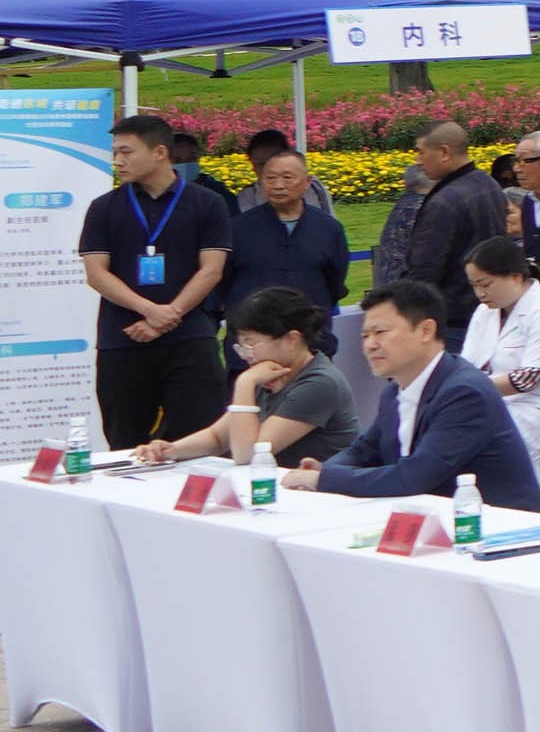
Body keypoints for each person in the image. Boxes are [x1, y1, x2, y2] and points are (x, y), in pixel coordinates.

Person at [303, 282, 539, 503]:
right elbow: (364, 450)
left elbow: (413, 478)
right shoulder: (395, 390)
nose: (370, 345)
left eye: (380, 332)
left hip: (498, 528)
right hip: (434, 522)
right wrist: (324, 469)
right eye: (365, 336)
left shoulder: (464, 393)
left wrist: (323, 480)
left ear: (426, 330)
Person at [83, 111, 234, 448]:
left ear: (160, 153)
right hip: (123, 338)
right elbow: (96, 272)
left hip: (189, 337)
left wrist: (170, 314)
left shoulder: (206, 203)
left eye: (126, 152)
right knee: (125, 440)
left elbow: (211, 269)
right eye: (115, 153)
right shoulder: (104, 208)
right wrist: (149, 310)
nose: (118, 161)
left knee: (199, 440)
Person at [137, 285, 352, 471]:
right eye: (242, 346)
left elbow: (249, 455)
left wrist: (244, 384)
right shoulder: (270, 373)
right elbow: (217, 437)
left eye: (251, 344)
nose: (246, 355)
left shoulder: (319, 384)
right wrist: (171, 450)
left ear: (291, 339)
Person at [455, 234, 540, 473]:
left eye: (485, 284)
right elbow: (467, 367)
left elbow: (525, 380)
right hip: (500, 405)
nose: (479, 293)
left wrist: (467, 391)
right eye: (474, 286)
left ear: (515, 277)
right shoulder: (484, 313)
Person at [219, 144, 350, 319]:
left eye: (288, 178)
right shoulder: (238, 227)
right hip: (253, 329)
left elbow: (335, 281)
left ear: (307, 182)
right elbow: (223, 280)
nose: (278, 186)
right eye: (270, 178)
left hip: (309, 329)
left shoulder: (328, 228)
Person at [383, 118, 508, 296]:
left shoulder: (445, 201)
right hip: (488, 300)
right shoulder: (490, 185)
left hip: (450, 310)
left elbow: (424, 269)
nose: (418, 161)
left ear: (444, 152)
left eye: (421, 152)